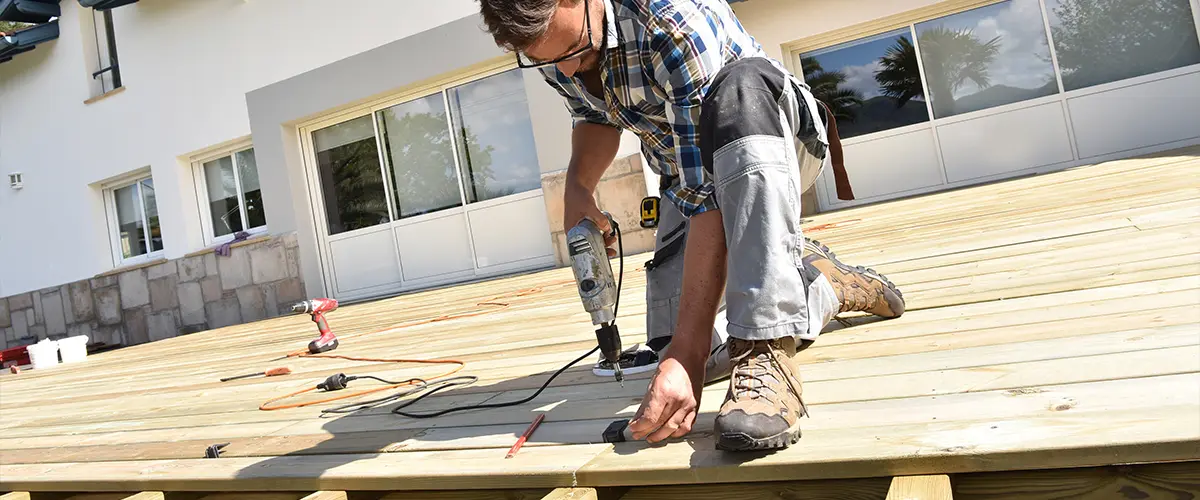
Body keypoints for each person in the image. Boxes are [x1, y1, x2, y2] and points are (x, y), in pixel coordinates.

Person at [477, 0, 904, 451]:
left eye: (573, 50)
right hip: (687, 178)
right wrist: (578, 187)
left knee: (740, 85)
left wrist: (690, 352)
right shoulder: (555, 43)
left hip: (772, 138)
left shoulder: (669, 18)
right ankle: (822, 285)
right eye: (545, 62)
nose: (563, 70)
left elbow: (711, 194)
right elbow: (595, 116)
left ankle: (767, 353)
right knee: (673, 345)